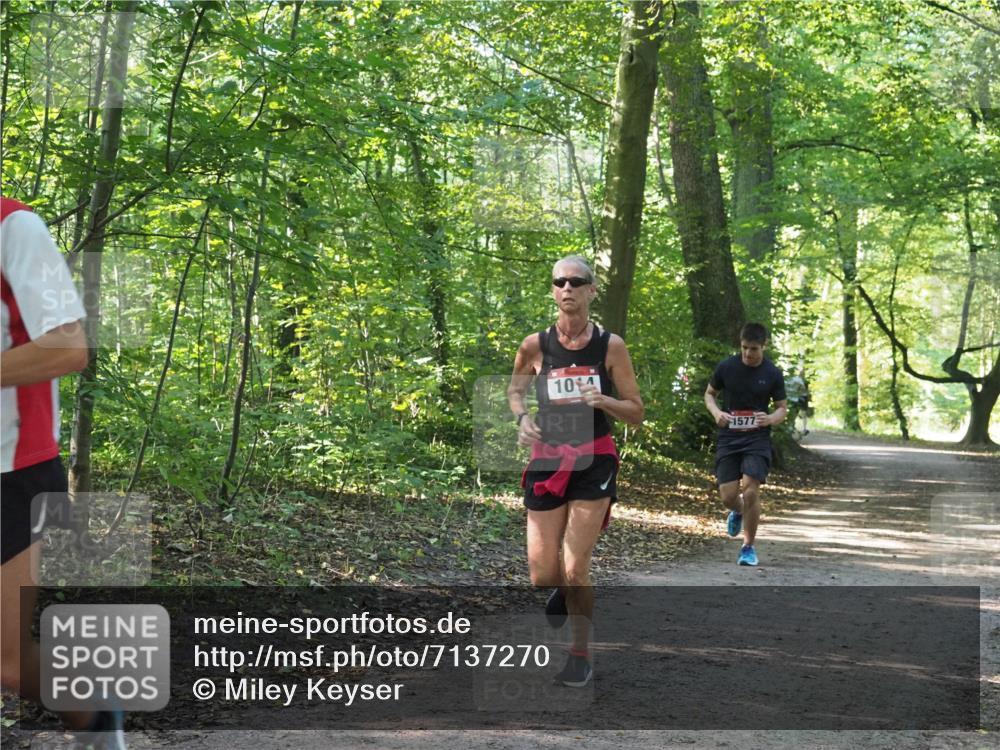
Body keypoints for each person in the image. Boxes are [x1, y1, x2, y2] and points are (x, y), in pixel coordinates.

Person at [1, 197, 126, 748]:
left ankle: (99, 718)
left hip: (14, 473)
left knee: (5, 665)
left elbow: (68, 347)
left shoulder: (15, 226)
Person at [507, 255, 643, 687]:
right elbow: (515, 389)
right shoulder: (535, 345)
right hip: (547, 458)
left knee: (574, 566)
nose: (567, 288)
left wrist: (604, 401)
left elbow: (636, 412)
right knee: (542, 573)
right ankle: (562, 593)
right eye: (559, 282)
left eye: (576, 281)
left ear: (591, 290)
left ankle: (579, 656)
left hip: (594, 458)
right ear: (553, 291)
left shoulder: (610, 346)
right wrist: (522, 418)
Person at [703, 322, 787, 567]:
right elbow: (709, 394)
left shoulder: (772, 373)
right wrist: (716, 412)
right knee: (728, 496)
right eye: (744, 348)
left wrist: (769, 419)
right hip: (729, 437)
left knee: (751, 490)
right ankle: (738, 511)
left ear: (764, 346)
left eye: (754, 349)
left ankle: (748, 547)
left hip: (757, 438)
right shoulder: (727, 367)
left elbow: (782, 408)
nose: (748, 354)